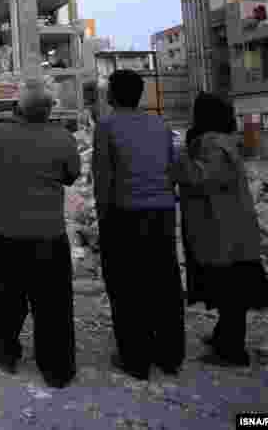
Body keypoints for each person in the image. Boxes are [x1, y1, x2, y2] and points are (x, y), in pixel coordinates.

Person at [0, 79, 81, 388]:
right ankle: (57, 369)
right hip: (50, 234)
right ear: (50, 109)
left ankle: (4, 355)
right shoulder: (63, 138)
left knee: (6, 298)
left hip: (8, 233)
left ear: (17, 106)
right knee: (54, 304)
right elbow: (71, 176)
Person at [171, 92, 268, 367]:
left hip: (223, 230)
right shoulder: (220, 141)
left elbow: (201, 178)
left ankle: (232, 350)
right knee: (230, 289)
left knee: (231, 291)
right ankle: (224, 337)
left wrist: (178, 156)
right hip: (226, 227)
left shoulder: (214, 144)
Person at [93, 69, 184, 380]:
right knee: (165, 284)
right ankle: (170, 356)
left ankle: (136, 358)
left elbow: (103, 178)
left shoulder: (106, 126)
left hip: (125, 214)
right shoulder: (160, 124)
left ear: (113, 95)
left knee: (127, 286)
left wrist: (104, 219)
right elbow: (173, 169)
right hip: (162, 213)